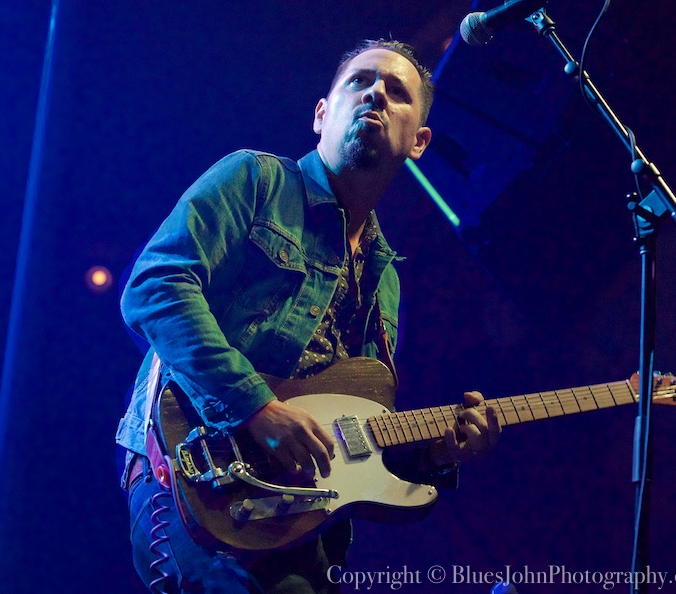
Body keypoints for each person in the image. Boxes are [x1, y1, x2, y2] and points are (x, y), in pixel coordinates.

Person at [116, 39, 501, 593]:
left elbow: (355, 432)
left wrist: (438, 453)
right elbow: (154, 287)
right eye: (360, 81)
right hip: (194, 476)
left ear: (419, 142)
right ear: (322, 114)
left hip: (299, 516)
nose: (376, 94)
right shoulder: (255, 181)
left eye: (397, 93)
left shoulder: (384, 276)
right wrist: (258, 407)